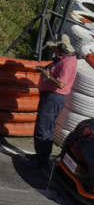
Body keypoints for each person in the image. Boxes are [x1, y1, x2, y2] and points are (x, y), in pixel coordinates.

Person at [32, 34, 79, 173]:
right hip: (52, 98)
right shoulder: (65, 59)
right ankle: (41, 157)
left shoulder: (67, 63)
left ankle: (41, 161)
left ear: (62, 48)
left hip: (53, 98)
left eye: (55, 48)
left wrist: (47, 76)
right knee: (48, 128)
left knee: (42, 128)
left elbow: (61, 84)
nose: (53, 50)